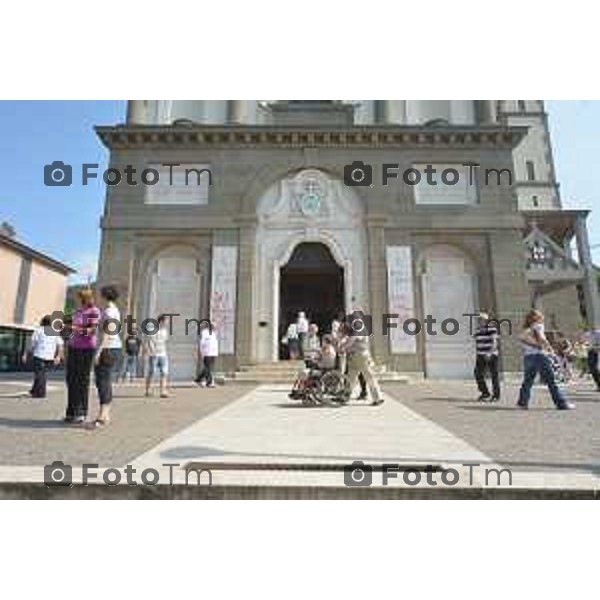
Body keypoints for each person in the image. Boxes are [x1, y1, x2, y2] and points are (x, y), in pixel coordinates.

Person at [517, 309, 575, 410]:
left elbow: (522, 341)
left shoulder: (525, 329)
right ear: (536, 317)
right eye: (540, 315)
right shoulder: (538, 326)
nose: (542, 317)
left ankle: (522, 403)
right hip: (540, 356)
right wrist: (550, 348)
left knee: (527, 381)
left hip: (528, 357)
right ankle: (561, 404)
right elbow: (542, 339)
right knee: (551, 381)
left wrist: (534, 344)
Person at [64, 288, 100, 424]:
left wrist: (75, 329)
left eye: (78, 297)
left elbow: (91, 331)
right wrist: (69, 335)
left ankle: (81, 412)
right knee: (70, 379)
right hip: (73, 348)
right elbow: (73, 330)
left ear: (84, 298)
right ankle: (71, 412)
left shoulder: (94, 311)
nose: (76, 300)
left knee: (82, 380)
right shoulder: (77, 312)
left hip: (86, 349)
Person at [92, 285, 123, 426]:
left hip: (108, 348)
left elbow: (108, 333)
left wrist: (99, 351)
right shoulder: (115, 310)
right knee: (105, 380)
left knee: (102, 381)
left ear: (104, 295)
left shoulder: (109, 312)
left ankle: (103, 414)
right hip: (114, 347)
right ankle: (106, 414)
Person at [338, 326, 384, 406]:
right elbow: (347, 342)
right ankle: (345, 396)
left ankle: (377, 398)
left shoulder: (357, 332)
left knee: (369, 377)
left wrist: (342, 347)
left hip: (360, 357)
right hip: (354, 358)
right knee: (350, 378)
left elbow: (349, 343)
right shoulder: (354, 333)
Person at [28, 315, 64, 398]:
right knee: (40, 373)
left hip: (39, 355)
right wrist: (58, 356)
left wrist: (27, 353)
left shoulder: (39, 330)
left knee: (40, 374)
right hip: (50, 357)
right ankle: (34, 390)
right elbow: (61, 345)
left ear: (42, 322)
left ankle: (41, 393)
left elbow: (32, 344)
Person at [473, 311, 500, 402]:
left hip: (491, 355)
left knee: (494, 375)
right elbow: (477, 341)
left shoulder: (491, 329)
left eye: (482, 319)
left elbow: (495, 341)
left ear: (486, 320)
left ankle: (496, 395)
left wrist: (490, 352)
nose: (480, 321)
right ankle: (485, 393)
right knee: (478, 374)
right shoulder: (478, 330)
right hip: (480, 355)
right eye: (479, 319)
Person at [143, 314, 171, 398]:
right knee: (152, 372)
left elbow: (164, 342)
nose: (167, 323)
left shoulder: (165, 331)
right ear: (161, 321)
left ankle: (163, 391)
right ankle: (148, 390)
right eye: (166, 321)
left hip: (163, 354)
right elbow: (149, 342)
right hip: (154, 354)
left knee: (164, 373)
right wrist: (152, 351)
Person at [196, 322, 219, 388]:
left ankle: (198, 379)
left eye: (214, 327)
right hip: (207, 353)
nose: (214, 328)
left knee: (207, 368)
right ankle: (209, 383)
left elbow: (215, 343)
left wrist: (216, 352)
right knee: (208, 368)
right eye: (213, 326)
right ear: (209, 326)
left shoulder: (214, 333)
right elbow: (202, 343)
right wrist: (202, 353)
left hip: (213, 353)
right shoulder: (205, 332)